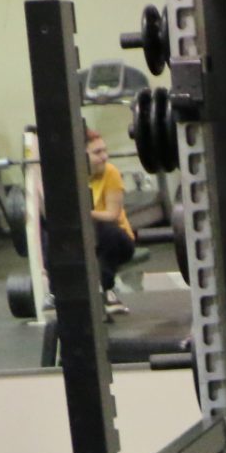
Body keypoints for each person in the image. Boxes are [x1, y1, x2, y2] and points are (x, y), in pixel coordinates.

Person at [88, 127, 133, 314]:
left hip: (118, 241)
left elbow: (112, 215)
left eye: (104, 150)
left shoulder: (111, 172)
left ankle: (107, 290)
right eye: (97, 152)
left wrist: (82, 214)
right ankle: (53, 291)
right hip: (87, 242)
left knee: (104, 227)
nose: (104, 156)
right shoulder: (68, 176)